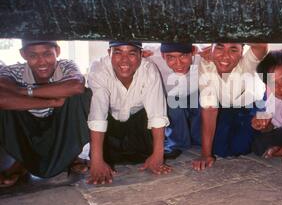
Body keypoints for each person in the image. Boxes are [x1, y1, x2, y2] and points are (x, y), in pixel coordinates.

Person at [0, 40, 90, 187]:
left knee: (82, 96)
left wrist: (21, 91)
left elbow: (77, 84)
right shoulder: (13, 71)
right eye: (33, 55)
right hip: (27, 129)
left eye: (47, 54)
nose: (41, 62)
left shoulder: (66, 66)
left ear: (58, 51)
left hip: (59, 128)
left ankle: (73, 156)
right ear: (23, 54)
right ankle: (21, 162)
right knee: (5, 103)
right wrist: (50, 102)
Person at [87, 41, 171, 185]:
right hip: (110, 120)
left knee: (145, 155)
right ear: (109, 53)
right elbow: (98, 115)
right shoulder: (99, 68)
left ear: (141, 54)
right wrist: (97, 160)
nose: (124, 60)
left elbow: (156, 113)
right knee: (103, 158)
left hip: (137, 119)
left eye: (131, 53)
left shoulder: (149, 69)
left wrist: (158, 156)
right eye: (118, 52)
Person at [192, 43, 268, 171]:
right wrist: (206, 155)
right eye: (219, 48)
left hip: (251, 105)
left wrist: (234, 33)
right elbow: (210, 109)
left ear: (242, 51)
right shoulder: (206, 64)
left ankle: (266, 133)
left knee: (240, 147)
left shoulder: (248, 62)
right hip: (226, 106)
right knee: (209, 143)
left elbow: (261, 45)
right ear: (212, 48)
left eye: (233, 50)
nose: (225, 56)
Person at [147, 43, 201, 159]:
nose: (178, 63)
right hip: (171, 98)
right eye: (171, 57)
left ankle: (197, 138)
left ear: (193, 52)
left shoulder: (201, 56)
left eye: (183, 56)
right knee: (173, 102)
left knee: (206, 99)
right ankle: (176, 143)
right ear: (162, 55)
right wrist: (137, 54)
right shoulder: (151, 58)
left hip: (194, 96)